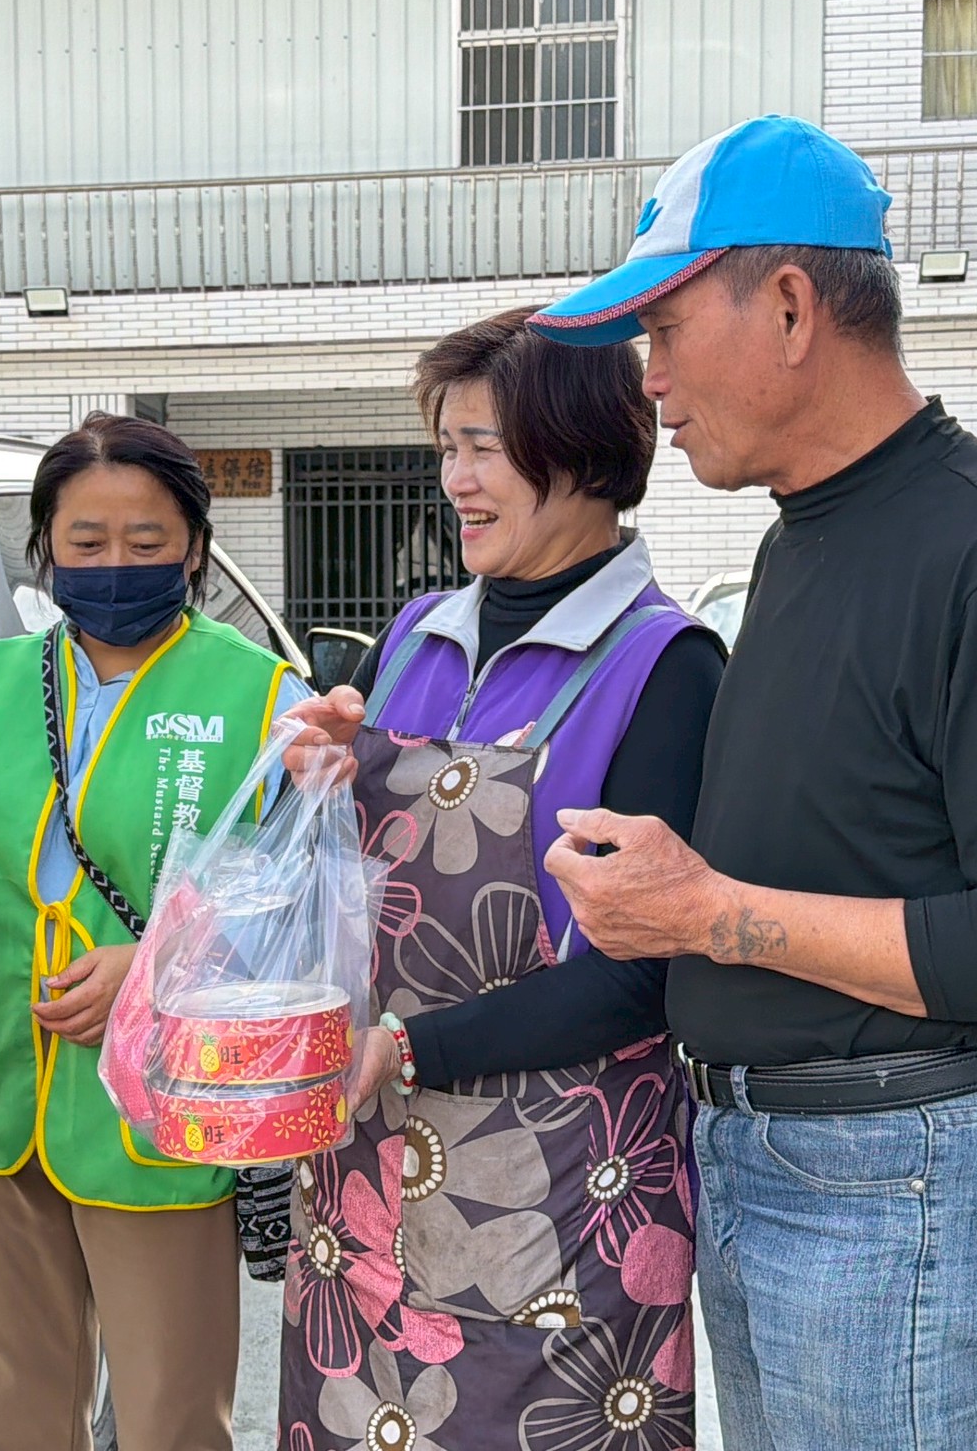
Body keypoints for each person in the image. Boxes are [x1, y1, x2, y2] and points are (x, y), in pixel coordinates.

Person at [526, 114, 977, 1449]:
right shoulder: (800, 538)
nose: (650, 381)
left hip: (902, 1185)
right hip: (770, 1166)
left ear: (786, 306)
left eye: (663, 329)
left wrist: (709, 916)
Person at [274, 308, 723, 1450]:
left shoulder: (664, 667)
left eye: (483, 447)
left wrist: (407, 1048)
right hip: (363, 1169)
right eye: (447, 447)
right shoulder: (416, 635)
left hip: (557, 1193)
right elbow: (354, 891)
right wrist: (313, 783)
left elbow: (640, 975)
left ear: (581, 451)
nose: (455, 481)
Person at [0, 414, 312, 1451]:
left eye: (145, 540)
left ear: (195, 549)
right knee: (14, 1416)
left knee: (173, 1418)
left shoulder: (262, 698)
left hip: (157, 1115)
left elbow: (302, 901)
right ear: (45, 550)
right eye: (85, 541)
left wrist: (156, 964)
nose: (114, 562)